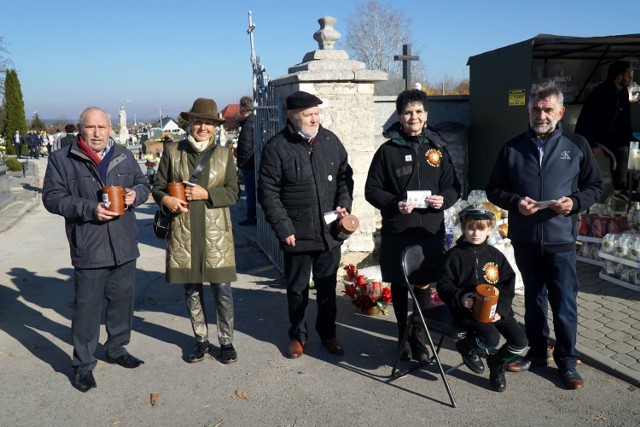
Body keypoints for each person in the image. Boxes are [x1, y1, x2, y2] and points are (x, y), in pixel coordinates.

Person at [486, 83, 603, 390]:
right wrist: (514, 202)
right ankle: (537, 353)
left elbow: (595, 186)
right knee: (534, 302)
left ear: (560, 112)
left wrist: (575, 203)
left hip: (561, 239)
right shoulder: (512, 148)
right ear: (528, 110)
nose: (541, 115)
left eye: (548, 109)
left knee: (564, 302)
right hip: (525, 239)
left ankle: (567, 362)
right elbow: (494, 188)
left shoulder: (577, 145)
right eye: (536, 109)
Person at [42, 106, 150, 392]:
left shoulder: (124, 156)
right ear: (80, 129)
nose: (97, 133)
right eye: (91, 127)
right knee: (87, 309)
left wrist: (133, 196)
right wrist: (90, 209)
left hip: (124, 243)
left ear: (110, 128)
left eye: (102, 127)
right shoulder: (62, 159)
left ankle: (116, 348)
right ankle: (83, 365)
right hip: (89, 245)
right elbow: (53, 198)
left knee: (122, 303)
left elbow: (143, 184)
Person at [364, 89, 461, 362]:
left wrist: (444, 200)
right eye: (408, 112)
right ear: (399, 116)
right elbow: (372, 191)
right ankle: (401, 334)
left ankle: (418, 334)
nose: (413, 117)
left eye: (419, 112)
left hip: (430, 230)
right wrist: (395, 203)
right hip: (399, 229)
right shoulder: (387, 151)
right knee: (399, 282)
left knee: (423, 282)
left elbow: (454, 187)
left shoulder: (438, 149)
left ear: (426, 116)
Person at [258, 91, 352, 359]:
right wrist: (283, 227)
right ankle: (298, 336)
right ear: (292, 117)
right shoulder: (277, 147)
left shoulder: (330, 141)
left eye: (317, 113)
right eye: (308, 115)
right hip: (296, 234)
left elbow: (346, 177)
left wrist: (344, 203)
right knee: (298, 289)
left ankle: (328, 333)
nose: (315, 119)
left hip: (329, 233)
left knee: (326, 286)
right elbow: (268, 192)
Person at [151, 97, 240, 365]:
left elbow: (234, 192)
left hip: (216, 235)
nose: (203, 127)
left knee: (222, 290)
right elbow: (158, 187)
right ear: (189, 123)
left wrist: (207, 193)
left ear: (215, 126)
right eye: (198, 121)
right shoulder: (172, 151)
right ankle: (200, 339)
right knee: (191, 289)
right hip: (184, 232)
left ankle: (226, 341)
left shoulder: (224, 155)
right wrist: (165, 199)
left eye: (209, 123)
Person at [436, 206, 528, 392]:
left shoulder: (495, 256)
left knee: (520, 342)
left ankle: (497, 363)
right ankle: (467, 346)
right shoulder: (454, 256)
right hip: (468, 311)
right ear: (462, 228)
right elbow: (444, 286)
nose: (475, 233)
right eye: (470, 227)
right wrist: (461, 297)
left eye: (480, 228)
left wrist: (500, 311)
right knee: (491, 339)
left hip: (498, 310)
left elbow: (507, 285)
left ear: (489, 229)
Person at [575, 60, 638, 199]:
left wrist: (632, 138)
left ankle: (633, 185)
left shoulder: (622, 93)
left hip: (615, 135)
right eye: (629, 74)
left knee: (636, 146)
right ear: (619, 77)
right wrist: (591, 144)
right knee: (621, 151)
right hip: (599, 137)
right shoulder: (601, 93)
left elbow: (625, 121)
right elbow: (587, 120)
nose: (631, 77)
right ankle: (619, 189)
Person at [236, 96, 257, 226]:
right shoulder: (255, 120)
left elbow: (245, 146)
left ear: (243, 108)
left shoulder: (248, 125)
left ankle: (251, 217)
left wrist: (241, 164)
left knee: (250, 192)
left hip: (249, 163)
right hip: (254, 161)